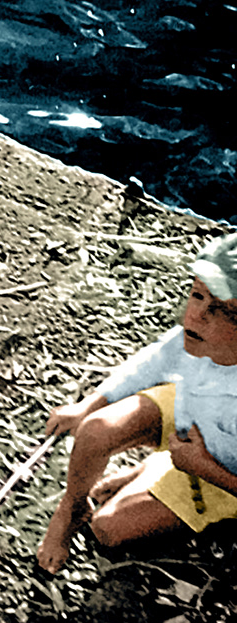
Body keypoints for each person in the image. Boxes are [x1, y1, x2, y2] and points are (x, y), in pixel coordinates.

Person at [34, 232, 237, 574]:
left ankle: (157, 469)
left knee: (108, 530)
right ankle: (72, 507)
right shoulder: (196, 341)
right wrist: (89, 405)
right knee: (95, 430)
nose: (195, 314)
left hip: (221, 475)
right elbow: (148, 365)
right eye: (197, 294)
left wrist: (200, 466)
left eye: (222, 311)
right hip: (191, 413)